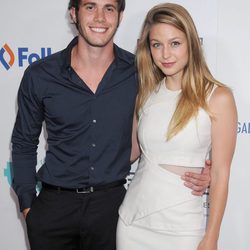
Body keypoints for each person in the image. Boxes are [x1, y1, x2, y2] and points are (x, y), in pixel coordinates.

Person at [11, 1, 210, 250]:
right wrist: (29, 207)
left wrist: (204, 168)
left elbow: (169, 126)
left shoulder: (141, 73)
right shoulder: (40, 75)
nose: (100, 18)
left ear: (120, 15)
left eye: (109, 8)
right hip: (53, 210)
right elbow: (23, 143)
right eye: (90, 7)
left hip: (113, 211)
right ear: (74, 13)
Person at [117, 3, 237, 250]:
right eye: (156, 45)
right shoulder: (147, 95)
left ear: (191, 43)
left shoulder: (218, 97)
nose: (165, 55)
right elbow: (130, 152)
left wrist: (211, 237)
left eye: (175, 43)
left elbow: (221, 173)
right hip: (132, 223)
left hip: (183, 228)